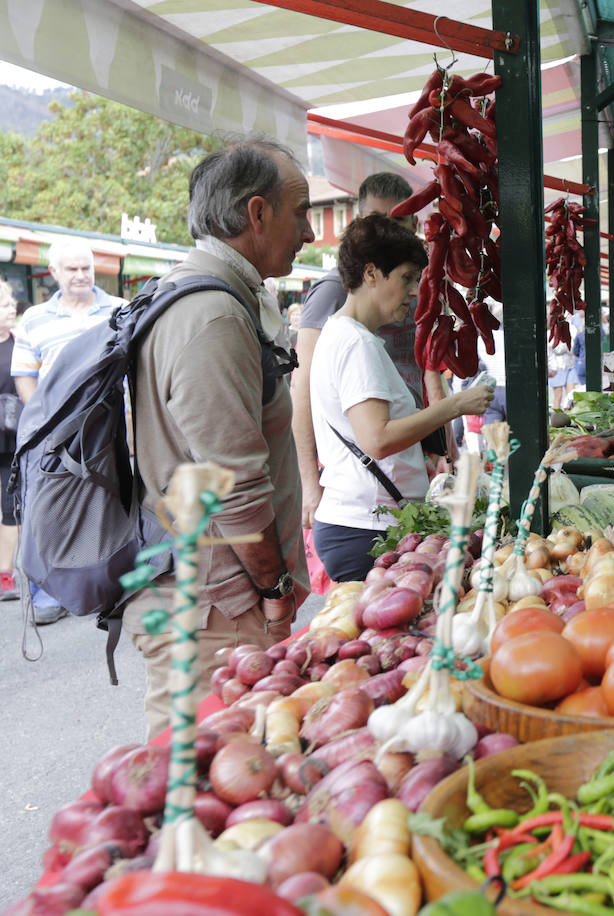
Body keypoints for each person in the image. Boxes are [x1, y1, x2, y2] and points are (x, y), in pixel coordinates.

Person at [124, 139, 314, 738]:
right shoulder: (214, 317)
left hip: (210, 598)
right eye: (301, 211)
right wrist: (275, 587)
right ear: (257, 214)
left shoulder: (202, 295)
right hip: (220, 608)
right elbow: (233, 486)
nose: (308, 231)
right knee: (208, 783)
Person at [310, 215, 493, 582]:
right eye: (407, 277)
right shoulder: (356, 343)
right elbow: (377, 439)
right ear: (372, 274)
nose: (414, 292)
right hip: (364, 529)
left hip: (364, 522)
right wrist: (455, 406)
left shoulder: (348, 335)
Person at [291, 172, 448, 529]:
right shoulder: (334, 293)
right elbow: (304, 389)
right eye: (377, 223)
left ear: (413, 224)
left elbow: (429, 372)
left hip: (407, 463)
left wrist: (442, 448)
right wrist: (309, 484)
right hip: (362, 485)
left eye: (397, 223)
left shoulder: (416, 286)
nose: (387, 233)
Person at [11, 238, 128, 624]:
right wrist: (46, 426)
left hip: (115, 430)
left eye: (86, 268)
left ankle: (115, 582)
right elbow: (25, 377)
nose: (80, 275)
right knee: (48, 512)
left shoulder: (120, 310)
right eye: (71, 269)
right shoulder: (34, 319)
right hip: (56, 436)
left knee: (116, 504)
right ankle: (48, 593)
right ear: (54, 272)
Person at [0, 286, 20, 600]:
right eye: (4, 304)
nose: (11, 307)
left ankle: (5, 575)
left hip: (11, 437)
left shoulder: (22, 341)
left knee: (9, 508)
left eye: (11, 301)